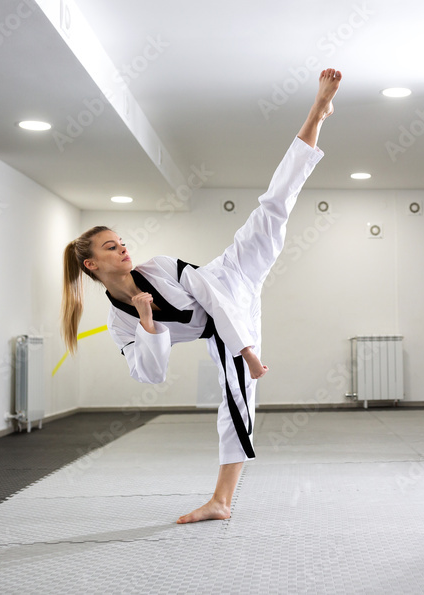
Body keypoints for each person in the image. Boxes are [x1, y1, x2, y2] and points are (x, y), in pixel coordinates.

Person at [60, 69, 341, 523]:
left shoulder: (160, 266)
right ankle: (222, 501)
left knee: (273, 205)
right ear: (92, 265)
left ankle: (317, 114)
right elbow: (150, 374)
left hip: (231, 279)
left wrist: (246, 349)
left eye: (122, 240)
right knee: (236, 401)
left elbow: (210, 295)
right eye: (111, 246)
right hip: (221, 326)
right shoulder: (121, 322)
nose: (124, 247)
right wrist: (149, 323)